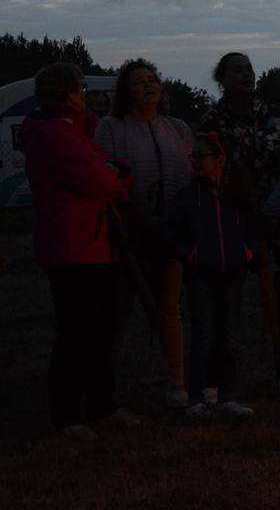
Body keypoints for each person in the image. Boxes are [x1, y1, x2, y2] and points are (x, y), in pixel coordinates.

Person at [18, 63, 139, 440]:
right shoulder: (57, 135)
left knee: (99, 329)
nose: (87, 95)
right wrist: (115, 176)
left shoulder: (75, 131)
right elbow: (100, 178)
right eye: (82, 89)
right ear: (68, 93)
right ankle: (68, 414)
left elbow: (110, 169)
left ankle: (100, 405)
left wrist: (114, 172)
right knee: (77, 332)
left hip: (93, 244)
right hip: (74, 247)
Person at [198, 53, 280, 392]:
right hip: (230, 221)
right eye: (237, 70)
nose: (246, 74)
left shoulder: (275, 116)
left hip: (278, 224)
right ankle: (217, 378)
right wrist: (239, 202)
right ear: (222, 78)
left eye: (248, 68)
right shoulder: (212, 121)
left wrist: (276, 201)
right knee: (225, 303)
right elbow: (204, 170)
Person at [94, 58, 194, 407]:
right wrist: (135, 215)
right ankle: (104, 390)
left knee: (170, 308)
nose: (148, 85)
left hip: (171, 232)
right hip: (128, 233)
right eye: (139, 82)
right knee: (118, 310)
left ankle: (177, 383)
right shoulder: (111, 128)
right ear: (125, 91)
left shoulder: (178, 128)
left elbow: (191, 175)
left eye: (152, 79)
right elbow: (108, 178)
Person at [168, 133, 256, 419]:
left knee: (227, 334)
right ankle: (197, 397)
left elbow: (257, 226)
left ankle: (226, 394)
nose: (193, 161)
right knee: (203, 333)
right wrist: (191, 256)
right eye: (192, 157)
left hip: (232, 273)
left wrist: (247, 253)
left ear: (219, 160)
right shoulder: (188, 197)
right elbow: (172, 236)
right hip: (201, 274)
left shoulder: (237, 195)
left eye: (200, 156)